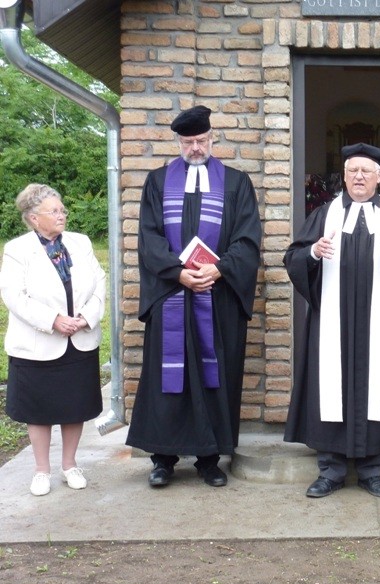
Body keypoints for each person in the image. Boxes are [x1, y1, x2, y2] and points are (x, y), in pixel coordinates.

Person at [283, 143, 380, 499]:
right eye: (352, 171)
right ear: (345, 176)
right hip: (331, 323)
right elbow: (293, 257)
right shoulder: (325, 215)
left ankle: (372, 470)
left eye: (366, 171)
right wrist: (313, 252)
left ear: (379, 177)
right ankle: (330, 471)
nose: (359, 177)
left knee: (377, 388)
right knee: (329, 388)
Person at [126, 105, 262, 488]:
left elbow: (248, 238)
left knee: (213, 377)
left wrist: (219, 269)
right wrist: (179, 274)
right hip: (171, 294)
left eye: (201, 140)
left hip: (217, 297)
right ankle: (163, 459)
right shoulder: (157, 182)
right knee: (169, 379)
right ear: (178, 143)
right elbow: (148, 238)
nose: (196, 148)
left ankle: (209, 459)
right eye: (188, 142)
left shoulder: (236, 183)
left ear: (212, 138)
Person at [0, 184, 105, 496]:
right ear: (34, 218)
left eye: (62, 210)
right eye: (54, 211)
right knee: (39, 409)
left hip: (80, 337)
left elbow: (100, 281)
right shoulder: (17, 250)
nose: (62, 215)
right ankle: (41, 470)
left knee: (75, 406)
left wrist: (86, 317)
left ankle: (70, 465)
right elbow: (14, 296)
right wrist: (53, 320)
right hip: (39, 344)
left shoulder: (81, 242)